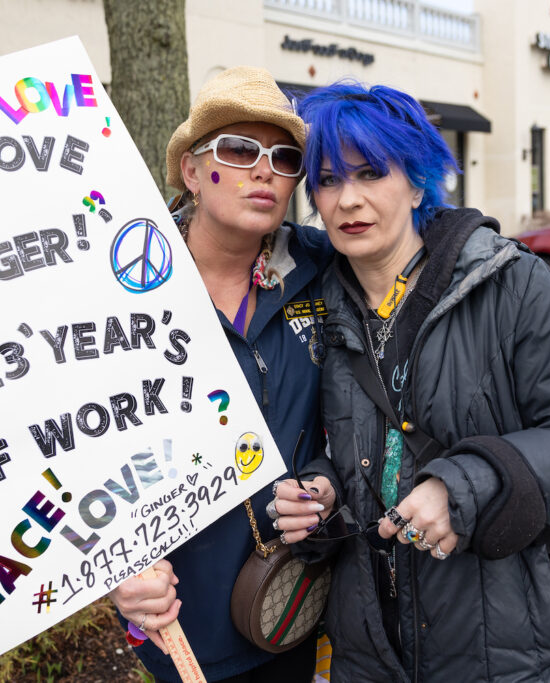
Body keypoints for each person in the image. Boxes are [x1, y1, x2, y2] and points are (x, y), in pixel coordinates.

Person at [272, 82, 550, 681]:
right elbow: (357, 449)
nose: (349, 199)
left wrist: (463, 486)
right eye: (329, 180)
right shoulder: (315, 303)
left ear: (417, 183)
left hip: (511, 647)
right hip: (371, 648)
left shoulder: (505, 283)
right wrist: (324, 489)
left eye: (371, 173)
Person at [106, 66, 334, 682]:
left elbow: (416, 251)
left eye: (284, 158)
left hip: (300, 606)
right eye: (238, 149)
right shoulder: (121, 289)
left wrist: (325, 484)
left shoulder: (322, 268)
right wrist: (115, 570)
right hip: (184, 624)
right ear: (190, 171)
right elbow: (72, 445)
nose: (264, 171)